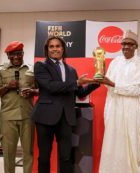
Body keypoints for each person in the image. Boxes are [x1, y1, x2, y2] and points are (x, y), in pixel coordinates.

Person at [31, 36, 99, 173]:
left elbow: (79, 93)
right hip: (45, 117)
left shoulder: (71, 70)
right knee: (44, 157)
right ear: (47, 49)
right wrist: (76, 83)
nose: (55, 49)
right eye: (51, 46)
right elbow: (50, 86)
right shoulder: (40, 66)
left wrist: (96, 83)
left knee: (66, 156)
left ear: (63, 48)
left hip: (66, 118)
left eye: (58, 46)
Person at [98, 30, 140, 173]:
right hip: (115, 108)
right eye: (123, 44)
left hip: (133, 110)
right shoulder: (115, 63)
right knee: (115, 142)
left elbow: (139, 90)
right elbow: (108, 86)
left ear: (136, 46)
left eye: (130, 44)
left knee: (132, 142)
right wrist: (108, 83)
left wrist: (114, 85)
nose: (126, 47)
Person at [0, 41, 37, 173]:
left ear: (23, 53)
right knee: (8, 153)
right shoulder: (0, 69)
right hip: (8, 116)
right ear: (8, 56)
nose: (16, 57)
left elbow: (40, 89)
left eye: (19, 54)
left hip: (27, 116)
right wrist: (7, 86)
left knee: (28, 151)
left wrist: (32, 91)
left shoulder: (32, 69)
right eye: (13, 54)